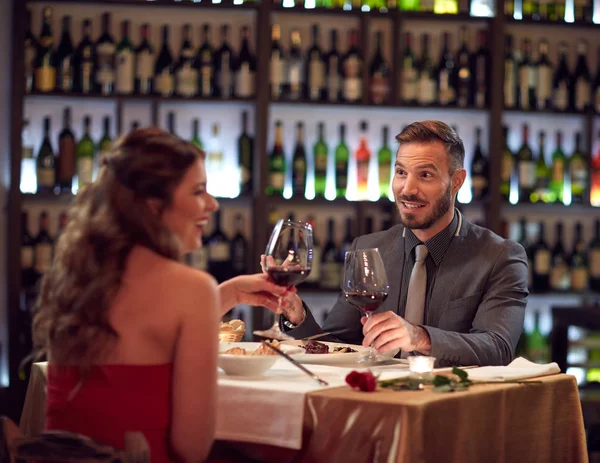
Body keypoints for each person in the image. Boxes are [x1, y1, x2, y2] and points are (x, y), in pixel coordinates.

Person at [33, 128, 290, 463]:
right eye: (199, 191)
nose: (212, 204)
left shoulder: (75, 274)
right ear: (154, 205)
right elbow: (191, 449)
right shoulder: (190, 288)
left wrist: (226, 294)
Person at [267, 121, 528, 367]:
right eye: (401, 172)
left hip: (454, 408)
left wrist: (419, 337)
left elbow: (497, 348)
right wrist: (297, 314)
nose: (407, 189)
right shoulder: (368, 249)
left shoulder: (500, 257)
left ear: (457, 181)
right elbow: (336, 346)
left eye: (425, 175)